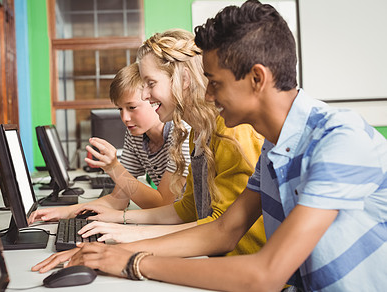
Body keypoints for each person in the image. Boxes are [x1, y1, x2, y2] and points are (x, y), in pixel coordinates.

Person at [32, 0, 387, 291]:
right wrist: (108, 250)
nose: (206, 93)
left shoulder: (340, 140)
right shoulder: (277, 147)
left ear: (256, 78)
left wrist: (132, 261)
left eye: (215, 82)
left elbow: (266, 274)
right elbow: (223, 231)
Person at [61, 29, 265, 248]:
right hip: (212, 254)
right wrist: (120, 219)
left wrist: (134, 235)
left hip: (239, 262)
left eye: (151, 83)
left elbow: (223, 227)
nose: (146, 96)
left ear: (184, 79)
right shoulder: (198, 132)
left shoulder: (231, 130)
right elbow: (188, 210)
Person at [29, 63, 191, 224]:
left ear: (153, 99)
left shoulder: (182, 133)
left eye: (132, 107)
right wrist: (66, 211)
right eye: (120, 109)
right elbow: (118, 199)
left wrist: (114, 168)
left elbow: (163, 204)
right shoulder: (136, 135)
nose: (125, 118)